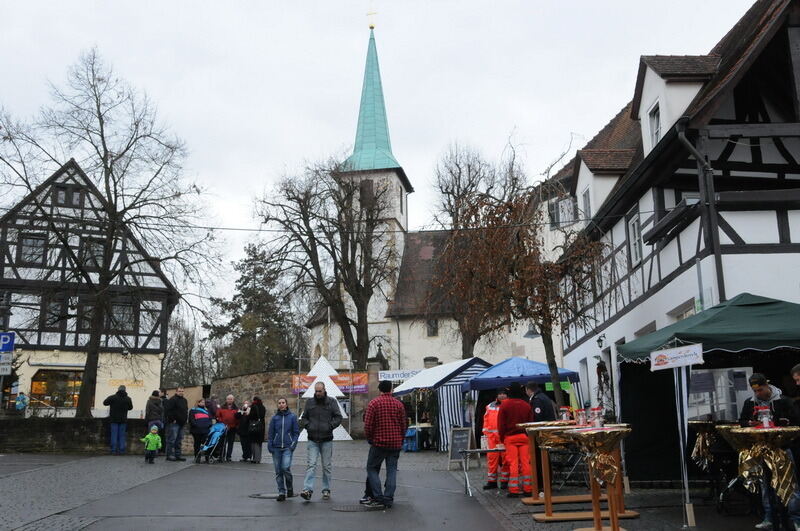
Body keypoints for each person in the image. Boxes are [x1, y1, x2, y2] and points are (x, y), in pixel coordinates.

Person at [739, 373, 800, 530]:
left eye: (760, 390)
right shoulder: (750, 403)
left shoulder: (784, 401)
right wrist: (749, 423)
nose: (758, 393)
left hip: (783, 448)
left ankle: (795, 518)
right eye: (755, 391)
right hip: (762, 450)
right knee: (766, 485)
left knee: (790, 484)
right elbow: (741, 421)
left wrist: (784, 423)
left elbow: (796, 421)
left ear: (767, 385)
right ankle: (769, 517)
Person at [363, 380, 407, 509]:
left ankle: (378, 496)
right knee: (392, 470)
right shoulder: (399, 404)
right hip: (395, 443)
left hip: (379, 442)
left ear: (379, 390)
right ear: (391, 389)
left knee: (371, 468)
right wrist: (401, 439)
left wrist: (370, 438)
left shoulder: (374, 403)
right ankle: (388, 497)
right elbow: (403, 425)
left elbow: (368, 425)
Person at [299, 381, 342, 501]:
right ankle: (307, 489)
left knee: (326, 466)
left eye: (320, 391)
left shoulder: (331, 402)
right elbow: (304, 417)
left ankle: (326, 489)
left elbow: (338, 417)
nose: (318, 393)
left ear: (324, 390)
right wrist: (308, 425)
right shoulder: (310, 402)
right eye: (316, 391)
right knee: (311, 465)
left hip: (326, 439)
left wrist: (330, 426)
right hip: (312, 438)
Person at [498, 382, 534, 498]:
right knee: (526, 463)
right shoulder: (526, 405)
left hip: (510, 437)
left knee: (513, 463)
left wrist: (502, 438)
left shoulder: (505, 405)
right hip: (524, 437)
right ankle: (528, 488)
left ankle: (513, 489)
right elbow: (530, 422)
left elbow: (501, 425)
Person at [268, 397, 300, 501]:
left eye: (283, 402)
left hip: (287, 447)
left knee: (285, 468)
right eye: (279, 403)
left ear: (286, 404)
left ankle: (289, 487)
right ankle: (281, 492)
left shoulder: (292, 417)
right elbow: (271, 433)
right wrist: (270, 445)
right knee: (278, 471)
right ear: (278, 405)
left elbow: (296, 432)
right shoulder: (274, 418)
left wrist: (293, 445)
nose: (281, 404)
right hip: (276, 448)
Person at [482, 388, 509, 490]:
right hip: (492, 438)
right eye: (500, 393)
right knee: (492, 459)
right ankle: (492, 481)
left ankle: (504, 481)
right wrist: (487, 434)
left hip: (504, 438)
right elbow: (486, 421)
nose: (502, 395)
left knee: (506, 460)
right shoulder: (489, 406)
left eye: (504, 394)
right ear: (497, 395)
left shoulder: (509, 405)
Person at [103, 385, 133, 455]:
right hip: (123, 420)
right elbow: (130, 408)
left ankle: (113, 450)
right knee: (122, 435)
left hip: (114, 419)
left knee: (114, 435)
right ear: (125, 390)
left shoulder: (113, 397)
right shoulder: (128, 399)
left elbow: (105, 403)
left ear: (118, 390)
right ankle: (122, 450)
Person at [164, 387, 188, 462]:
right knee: (171, 440)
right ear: (176, 391)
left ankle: (178, 455)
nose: (181, 392)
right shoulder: (172, 399)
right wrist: (172, 419)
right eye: (179, 391)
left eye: (182, 391)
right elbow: (168, 410)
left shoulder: (184, 400)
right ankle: (169, 455)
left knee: (179, 440)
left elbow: (185, 410)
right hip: (174, 423)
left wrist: (185, 420)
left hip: (182, 423)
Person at [216, 394, 239, 462]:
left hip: (232, 427)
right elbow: (218, 415)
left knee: (231, 443)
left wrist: (236, 424)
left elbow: (238, 418)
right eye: (228, 399)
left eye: (231, 399)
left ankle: (228, 456)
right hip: (223, 427)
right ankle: (221, 456)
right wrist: (221, 422)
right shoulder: (222, 407)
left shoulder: (236, 408)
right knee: (222, 442)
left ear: (233, 400)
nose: (230, 400)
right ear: (226, 400)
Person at [189, 398, 213, 463]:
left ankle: (207, 457)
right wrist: (197, 425)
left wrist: (208, 425)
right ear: (198, 403)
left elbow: (210, 419)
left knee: (206, 444)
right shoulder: (193, 410)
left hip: (205, 430)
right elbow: (191, 420)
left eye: (203, 402)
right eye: (201, 402)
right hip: (196, 430)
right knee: (197, 444)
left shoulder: (207, 411)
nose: (203, 403)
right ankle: (197, 457)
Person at [248, 396, 267, 464]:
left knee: (253, 442)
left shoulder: (253, 406)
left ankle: (255, 458)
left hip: (254, 426)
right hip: (261, 427)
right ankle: (258, 459)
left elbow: (251, 416)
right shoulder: (263, 407)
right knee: (259, 443)